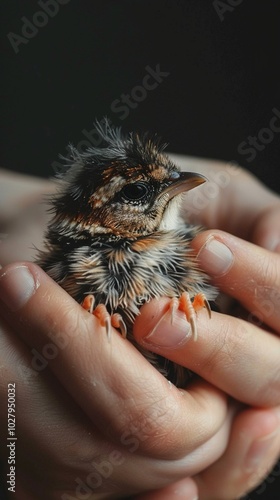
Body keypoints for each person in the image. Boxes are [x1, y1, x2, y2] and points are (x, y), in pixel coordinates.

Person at [0, 156, 279, 499]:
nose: (180, 184)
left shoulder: (188, 247)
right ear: (97, 214)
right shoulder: (65, 266)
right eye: (136, 192)